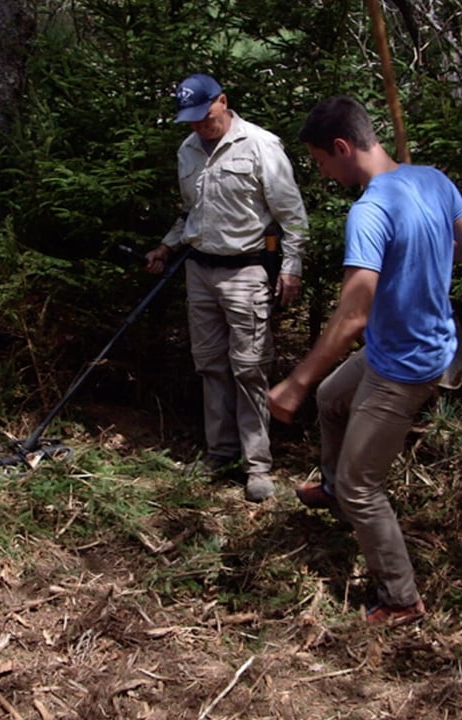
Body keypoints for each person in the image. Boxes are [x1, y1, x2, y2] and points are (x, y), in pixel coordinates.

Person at [267, 96, 462, 625]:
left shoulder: (369, 212)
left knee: (362, 486)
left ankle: (400, 598)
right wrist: (436, 247)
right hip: (404, 344)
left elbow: (352, 316)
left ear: (343, 147)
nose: (321, 172)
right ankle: (331, 485)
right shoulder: (433, 180)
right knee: (333, 399)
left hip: (406, 365)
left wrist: (294, 382)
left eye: (321, 160)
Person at [144, 73, 309, 502]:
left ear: (223, 101)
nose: (200, 126)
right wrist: (166, 245)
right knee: (210, 365)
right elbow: (191, 212)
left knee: (250, 368)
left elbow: (291, 215)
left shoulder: (260, 146)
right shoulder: (187, 150)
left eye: (206, 116)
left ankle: (257, 466)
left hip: (247, 271)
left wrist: (291, 267)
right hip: (199, 270)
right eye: (192, 120)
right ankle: (220, 453)